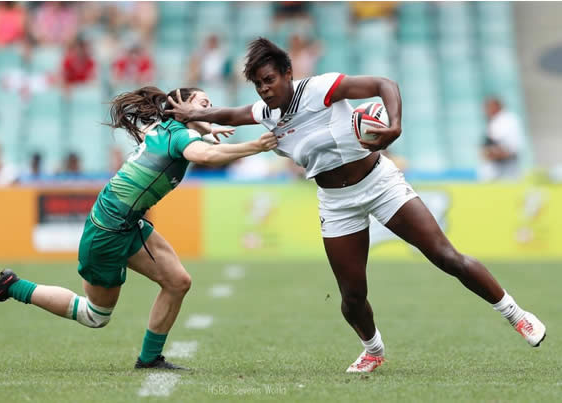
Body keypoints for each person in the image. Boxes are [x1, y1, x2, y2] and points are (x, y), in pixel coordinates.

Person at [165, 38, 547, 373]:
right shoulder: (266, 115)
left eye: (270, 79)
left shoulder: (320, 88)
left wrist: (394, 126)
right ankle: (373, 350)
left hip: (380, 183)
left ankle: (517, 315)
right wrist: (192, 115)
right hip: (336, 202)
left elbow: (385, 84)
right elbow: (228, 114)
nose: (265, 89)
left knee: (445, 256)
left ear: (288, 73)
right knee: (351, 297)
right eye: (259, 84)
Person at [0, 86, 277, 370]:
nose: (210, 109)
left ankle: (149, 358)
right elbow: (206, 154)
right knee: (94, 316)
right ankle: (14, 286)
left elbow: (197, 140)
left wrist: (207, 126)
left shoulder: (165, 129)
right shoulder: (179, 137)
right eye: (203, 104)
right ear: (180, 110)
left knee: (178, 281)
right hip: (109, 231)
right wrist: (256, 146)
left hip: (125, 221)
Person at [480, 97, 523, 181]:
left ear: (497, 106)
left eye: (489, 107)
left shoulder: (509, 120)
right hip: (496, 163)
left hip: (508, 162)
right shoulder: (493, 121)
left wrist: (495, 152)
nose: (486, 111)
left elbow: (511, 145)